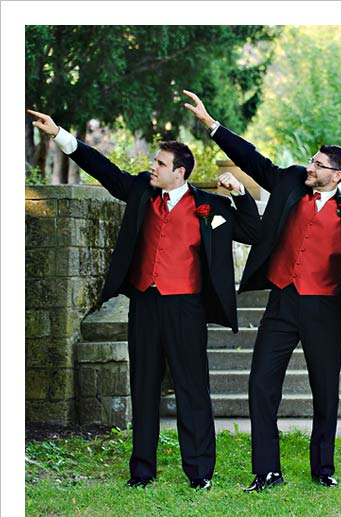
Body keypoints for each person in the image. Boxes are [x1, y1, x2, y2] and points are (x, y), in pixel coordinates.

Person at [182, 91, 341, 492]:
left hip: (325, 307)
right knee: (260, 384)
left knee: (325, 389)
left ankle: (323, 468)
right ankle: (267, 470)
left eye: (318, 165)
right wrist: (211, 124)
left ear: (336, 176)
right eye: (311, 161)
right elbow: (253, 159)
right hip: (282, 300)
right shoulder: (290, 183)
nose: (310, 167)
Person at [28, 109, 261, 490]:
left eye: (160, 163)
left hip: (186, 308)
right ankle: (142, 471)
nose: (153, 167)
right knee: (144, 386)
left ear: (179, 172)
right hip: (145, 304)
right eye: (155, 161)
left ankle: (200, 471)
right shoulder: (141, 191)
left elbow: (253, 232)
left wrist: (239, 193)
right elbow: (104, 170)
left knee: (192, 389)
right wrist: (59, 134)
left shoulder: (210, 206)